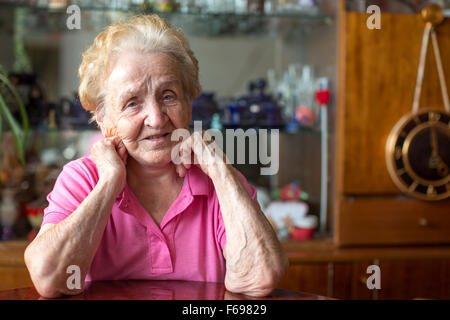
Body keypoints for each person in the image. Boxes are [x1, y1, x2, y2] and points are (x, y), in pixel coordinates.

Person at [24, 14, 288, 299]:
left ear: (189, 103)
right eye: (132, 102)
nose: (156, 118)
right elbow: (50, 280)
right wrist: (110, 182)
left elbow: (259, 278)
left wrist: (220, 170)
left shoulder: (219, 182)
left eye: (168, 96)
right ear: (103, 118)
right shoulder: (84, 179)